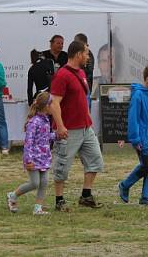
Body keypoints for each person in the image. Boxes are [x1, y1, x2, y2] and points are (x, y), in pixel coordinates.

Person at [49, 40, 104, 211]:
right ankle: (59, 200)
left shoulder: (81, 73)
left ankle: (86, 196)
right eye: (86, 53)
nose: (88, 57)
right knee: (62, 165)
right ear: (78, 54)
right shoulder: (62, 75)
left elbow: (82, 100)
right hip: (69, 129)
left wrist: (88, 120)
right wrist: (60, 126)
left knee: (95, 160)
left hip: (85, 127)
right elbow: (54, 103)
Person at [118, 64, 148, 207]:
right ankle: (125, 185)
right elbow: (133, 118)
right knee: (146, 165)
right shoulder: (138, 95)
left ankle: (146, 197)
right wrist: (135, 138)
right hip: (142, 139)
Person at [7, 92, 53, 215]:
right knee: (34, 183)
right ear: (46, 106)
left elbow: (45, 136)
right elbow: (28, 142)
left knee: (44, 183)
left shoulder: (46, 120)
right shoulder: (34, 122)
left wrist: (57, 136)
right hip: (33, 159)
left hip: (44, 158)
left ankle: (38, 208)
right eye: (52, 104)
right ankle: (13, 195)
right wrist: (28, 160)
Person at [74, 34, 95, 109]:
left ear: (81, 42)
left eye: (75, 41)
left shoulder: (88, 54)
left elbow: (89, 71)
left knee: (85, 112)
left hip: (85, 89)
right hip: (80, 89)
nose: (74, 43)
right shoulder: (80, 53)